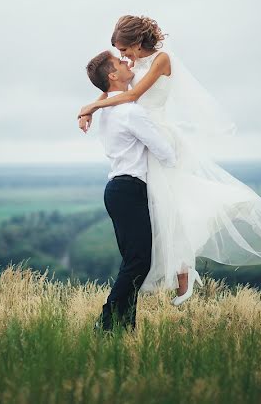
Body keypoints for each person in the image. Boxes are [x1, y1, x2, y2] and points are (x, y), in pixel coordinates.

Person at [79, 15, 261, 306]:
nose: (123, 58)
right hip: (139, 135)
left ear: (137, 43)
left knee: (173, 205)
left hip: (156, 134)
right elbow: (113, 90)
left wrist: (91, 106)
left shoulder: (161, 60)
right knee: (157, 209)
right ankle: (176, 269)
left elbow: (134, 94)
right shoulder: (132, 65)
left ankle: (181, 268)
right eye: (120, 55)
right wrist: (91, 108)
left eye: (125, 51)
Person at [85, 50, 177, 331]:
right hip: (128, 189)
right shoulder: (130, 112)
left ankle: (125, 327)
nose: (127, 62)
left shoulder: (111, 109)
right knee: (139, 261)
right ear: (113, 76)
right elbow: (165, 152)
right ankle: (106, 320)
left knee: (134, 262)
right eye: (119, 62)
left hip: (118, 190)